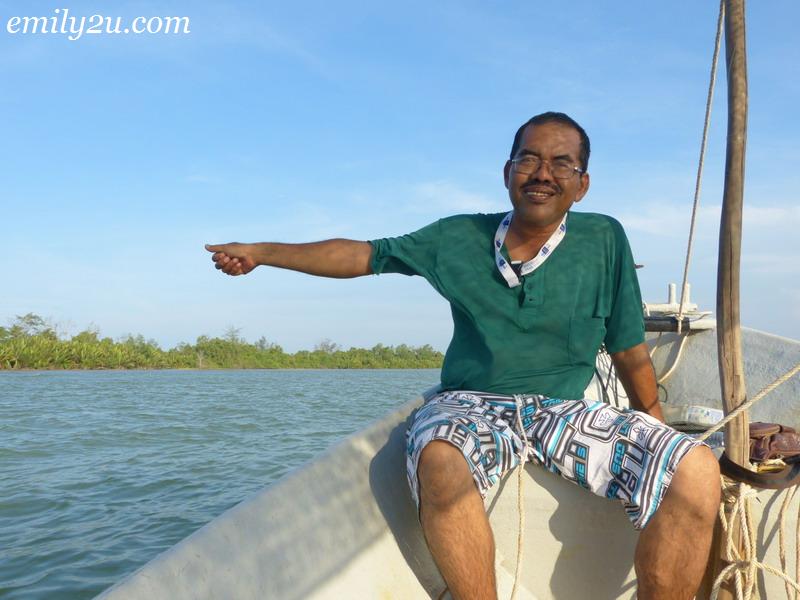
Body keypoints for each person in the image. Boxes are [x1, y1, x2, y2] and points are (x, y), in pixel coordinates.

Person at [206, 112, 721, 600]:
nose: (542, 173)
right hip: (469, 403)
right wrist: (263, 252)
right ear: (507, 171)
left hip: (561, 409)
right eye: (529, 158)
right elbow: (365, 254)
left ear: (582, 184)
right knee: (440, 458)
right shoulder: (458, 236)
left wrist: (656, 425)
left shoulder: (603, 237)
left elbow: (629, 347)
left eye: (562, 163)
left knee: (694, 470)